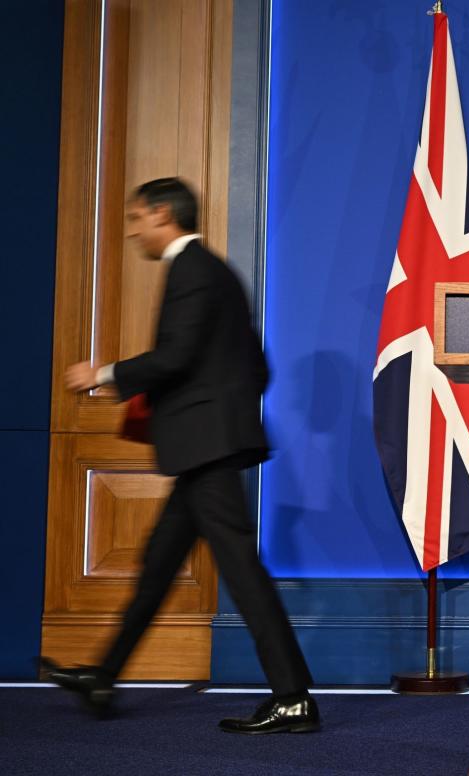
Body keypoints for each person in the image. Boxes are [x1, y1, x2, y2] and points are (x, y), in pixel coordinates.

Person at [46, 177, 319, 734]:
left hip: (206, 447)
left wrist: (103, 375)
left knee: (241, 570)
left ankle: (293, 697)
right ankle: (103, 677)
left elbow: (176, 356)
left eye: (136, 218)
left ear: (163, 213)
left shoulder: (192, 271)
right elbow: (254, 364)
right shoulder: (212, 272)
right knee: (159, 565)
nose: (132, 231)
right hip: (206, 444)